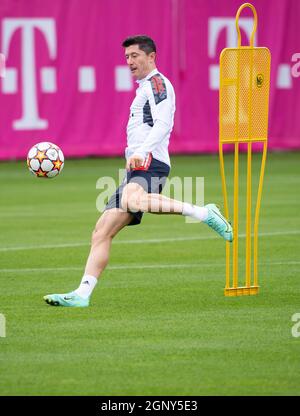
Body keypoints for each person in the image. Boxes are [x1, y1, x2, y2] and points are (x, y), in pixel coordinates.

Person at [44, 35, 233, 307]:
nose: (130, 61)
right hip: (137, 167)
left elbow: (164, 123)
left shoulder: (157, 83)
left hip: (152, 161)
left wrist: (143, 151)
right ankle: (82, 295)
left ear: (152, 56)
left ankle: (204, 213)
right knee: (101, 232)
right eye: (127, 57)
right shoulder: (143, 87)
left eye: (135, 56)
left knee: (133, 201)